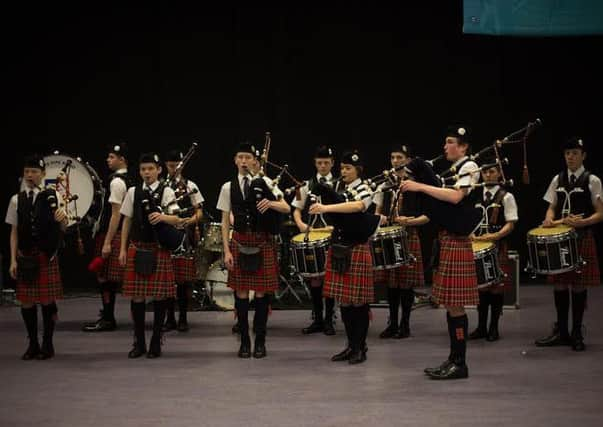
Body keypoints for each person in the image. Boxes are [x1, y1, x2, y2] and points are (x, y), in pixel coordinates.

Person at [400, 126, 479, 379]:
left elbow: (456, 197)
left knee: (455, 306)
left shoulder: (469, 167)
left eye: (450, 142)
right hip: (447, 239)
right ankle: (454, 358)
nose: (445, 147)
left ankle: (460, 362)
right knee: (450, 305)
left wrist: (420, 187)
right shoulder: (454, 170)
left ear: (464, 146)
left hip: (457, 241)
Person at [216, 142, 291, 358]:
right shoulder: (227, 187)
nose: (243, 161)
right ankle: (244, 341)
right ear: (235, 160)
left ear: (254, 161)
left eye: (247, 157)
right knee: (240, 293)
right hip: (239, 243)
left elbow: (286, 207)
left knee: (260, 294)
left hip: (262, 243)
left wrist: (270, 202)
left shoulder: (266, 182)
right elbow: (223, 221)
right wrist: (227, 251)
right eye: (240, 157)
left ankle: (260, 340)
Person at [309, 150, 378, 365]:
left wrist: (326, 206)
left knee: (359, 302)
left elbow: (358, 206)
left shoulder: (364, 188)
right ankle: (350, 346)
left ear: (358, 170)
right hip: (340, 247)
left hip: (356, 247)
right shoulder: (339, 188)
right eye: (343, 168)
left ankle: (361, 347)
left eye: (348, 168)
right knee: (345, 301)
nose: (344, 172)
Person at [535, 137, 602, 352]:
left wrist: (583, 221)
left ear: (583, 155)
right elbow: (552, 206)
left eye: (574, 153)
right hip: (560, 238)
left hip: (581, 238)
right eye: (567, 153)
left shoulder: (592, 180)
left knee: (578, 285)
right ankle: (561, 332)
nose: (570, 157)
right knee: (560, 284)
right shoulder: (558, 179)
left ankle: (576, 332)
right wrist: (548, 218)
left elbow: (601, 213)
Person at [119, 153, 181, 359]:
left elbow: (177, 219)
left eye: (150, 169)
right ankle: (139, 342)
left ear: (158, 170)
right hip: (137, 248)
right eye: (143, 169)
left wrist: (162, 217)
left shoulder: (167, 191)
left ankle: (156, 340)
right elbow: (126, 221)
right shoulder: (132, 192)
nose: (147, 173)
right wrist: (122, 248)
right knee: (137, 297)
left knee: (160, 296)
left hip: (158, 249)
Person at [6, 155, 68, 359]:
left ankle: (47, 344)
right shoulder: (17, 199)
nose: (30, 175)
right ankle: (32, 343)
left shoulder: (53, 196)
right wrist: (13, 259)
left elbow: (63, 227)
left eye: (34, 172)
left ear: (42, 175)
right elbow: (14, 231)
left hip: (45, 255)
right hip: (25, 256)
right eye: (27, 172)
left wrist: (62, 219)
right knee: (26, 301)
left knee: (47, 300)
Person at [373, 145, 428, 339]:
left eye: (399, 157)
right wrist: (381, 220)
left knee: (406, 284)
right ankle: (393, 323)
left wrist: (411, 221)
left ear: (408, 159)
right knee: (392, 284)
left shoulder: (418, 185)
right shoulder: (385, 185)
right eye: (392, 157)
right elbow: (377, 212)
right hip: (389, 237)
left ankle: (405, 324)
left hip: (409, 236)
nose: (395, 161)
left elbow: (428, 216)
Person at [83, 142, 131, 332]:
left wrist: (108, 242)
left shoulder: (117, 182)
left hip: (112, 233)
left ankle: (108, 318)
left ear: (122, 160)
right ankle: (107, 315)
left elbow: (116, 215)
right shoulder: (127, 179)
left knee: (105, 279)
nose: (108, 160)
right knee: (107, 279)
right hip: (117, 234)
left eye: (112, 157)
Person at [469, 158, 518, 342]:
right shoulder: (475, 195)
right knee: (482, 288)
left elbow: (511, 223)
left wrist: (493, 237)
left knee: (496, 289)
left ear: (499, 173)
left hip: (497, 247)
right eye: (485, 172)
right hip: (477, 246)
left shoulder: (506, 196)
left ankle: (493, 327)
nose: (488, 175)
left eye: (491, 172)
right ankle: (481, 327)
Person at [291, 145, 337, 336]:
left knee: (330, 278)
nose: (323, 166)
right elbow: (296, 209)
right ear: (315, 163)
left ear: (332, 163)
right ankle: (317, 319)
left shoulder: (338, 184)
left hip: (333, 236)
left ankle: (329, 320)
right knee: (315, 279)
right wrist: (300, 224)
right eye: (319, 163)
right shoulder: (305, 186)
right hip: (313, 236)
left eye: (326, 162)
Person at [162, 149, 204, 332]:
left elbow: (199, 212)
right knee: (167, 280)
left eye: (177, 166)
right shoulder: (161, 186)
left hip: (184, 237)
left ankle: (183, 318)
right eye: (171, 166)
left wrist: (189, 221)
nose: (174, 169)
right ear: (165, 166)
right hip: (165, 235)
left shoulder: (190, 185)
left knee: (183, 280)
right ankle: (169, 317)